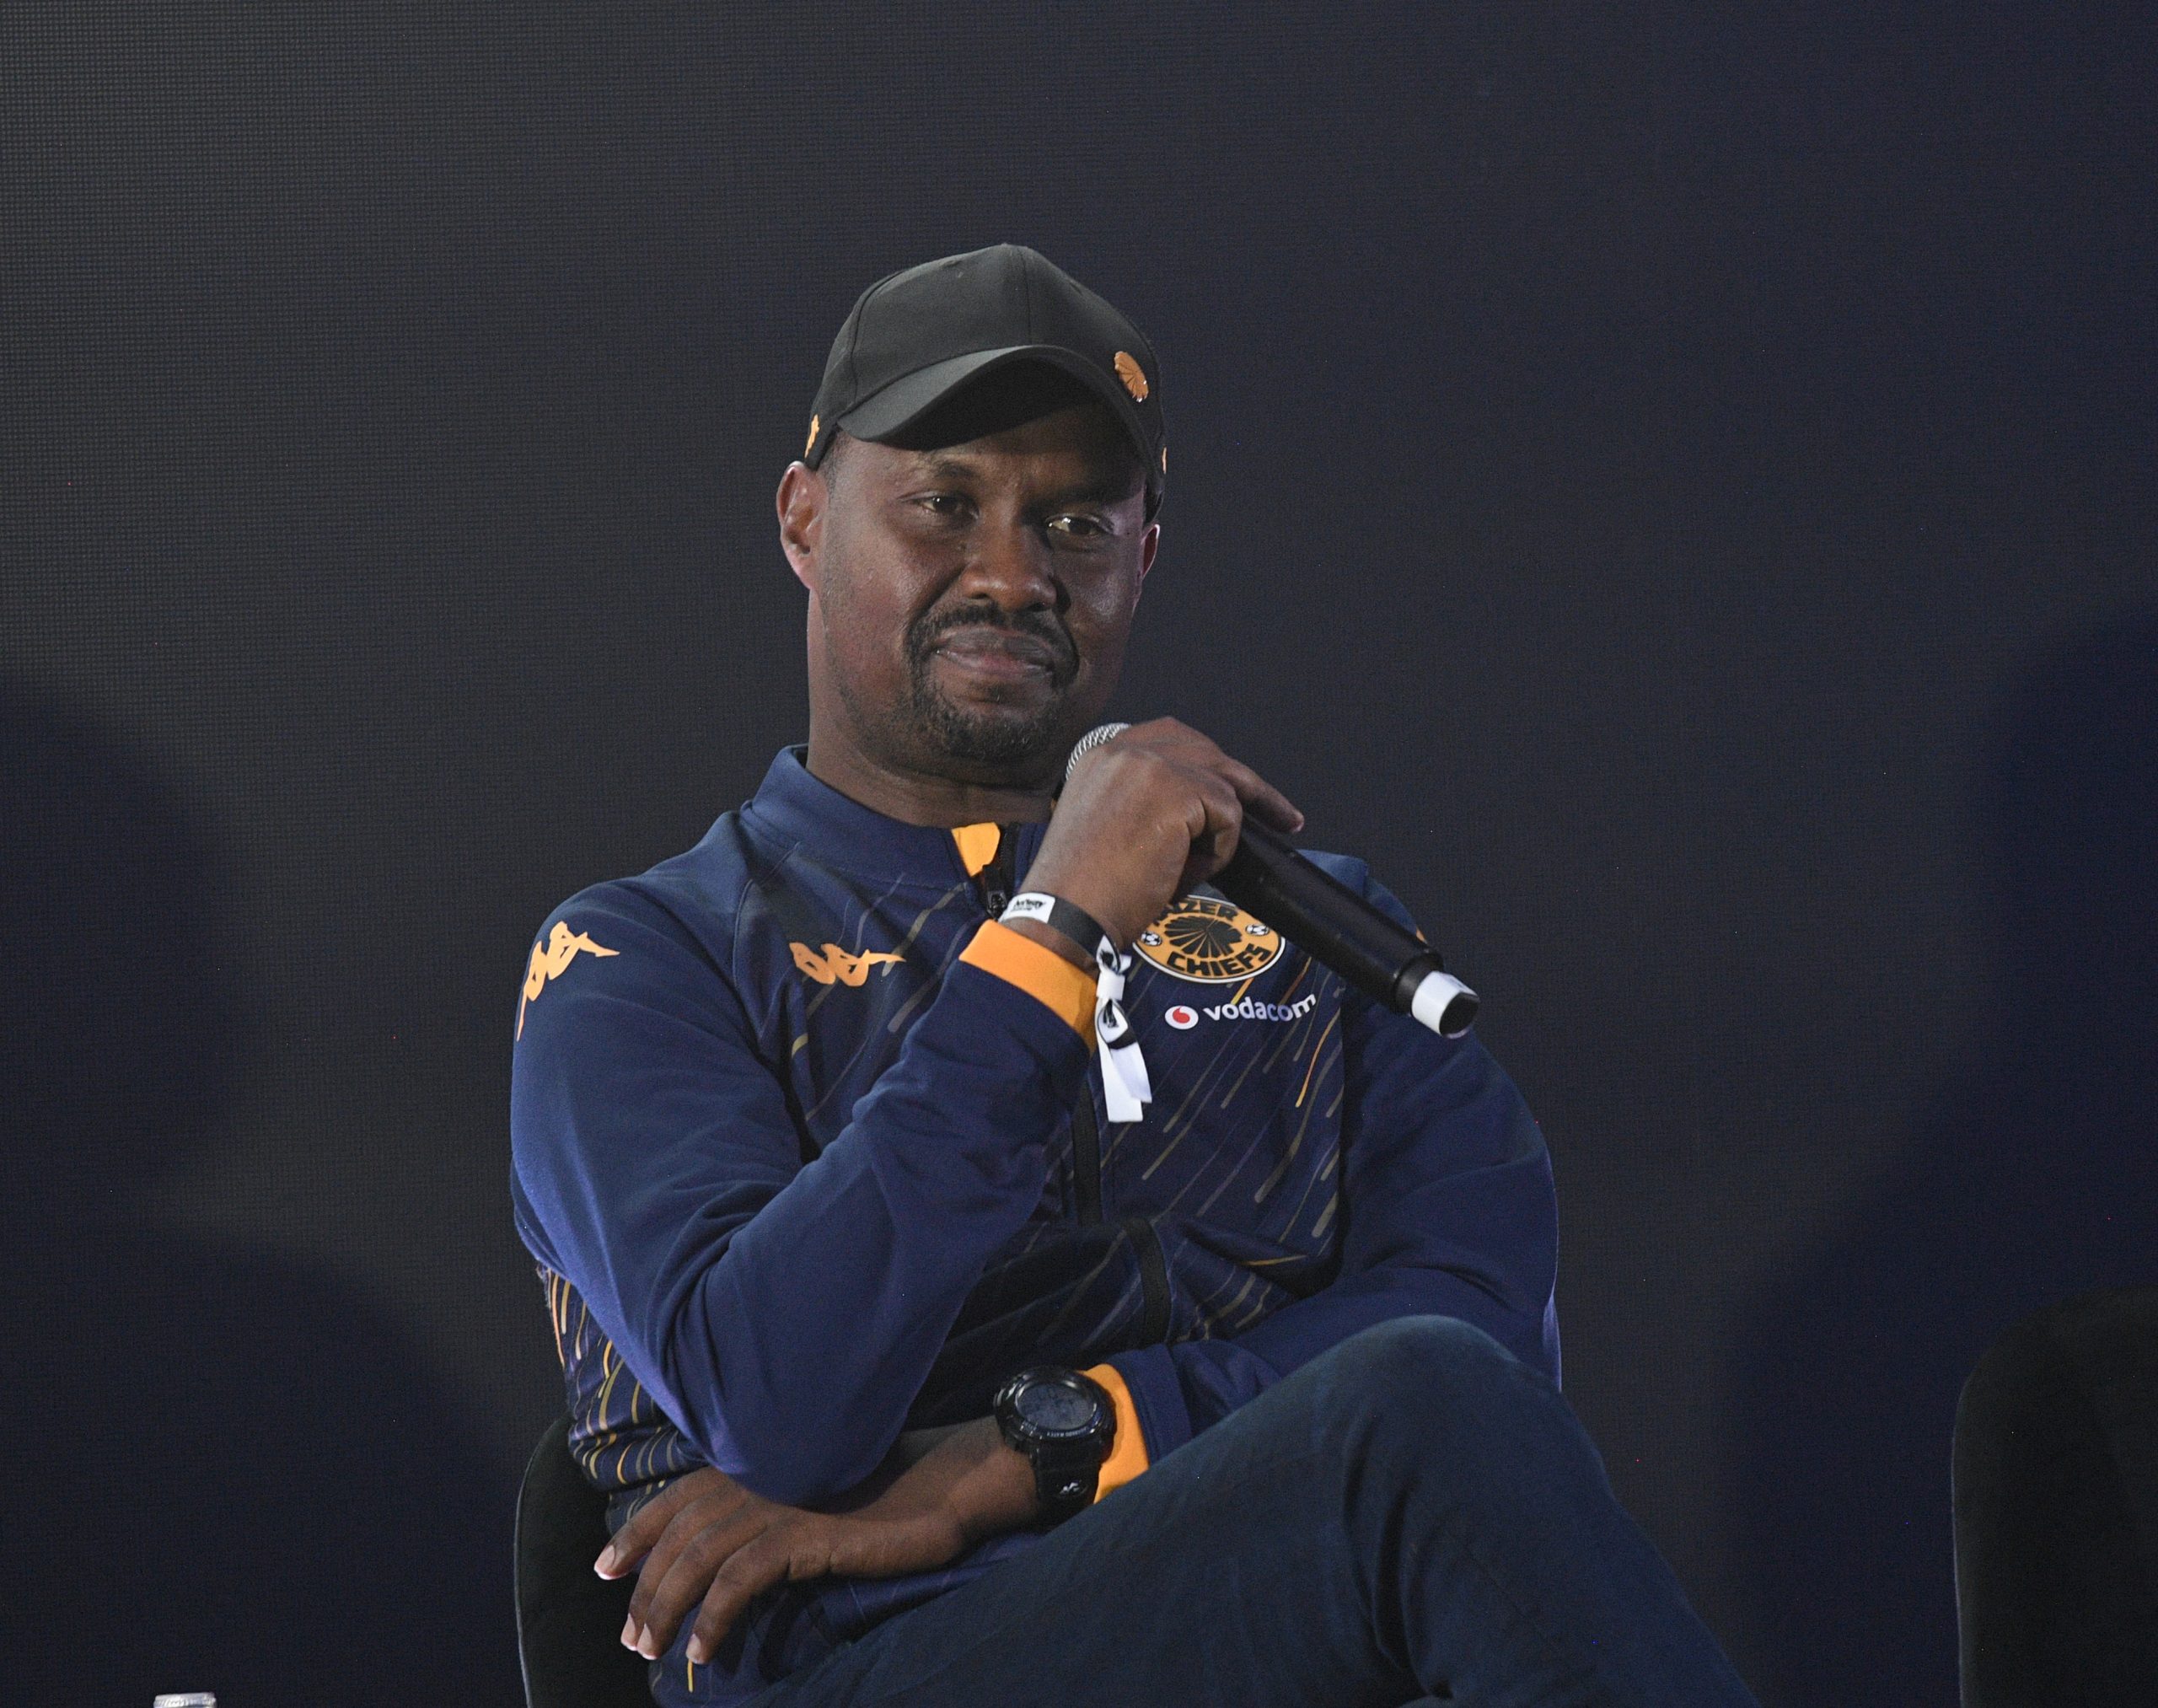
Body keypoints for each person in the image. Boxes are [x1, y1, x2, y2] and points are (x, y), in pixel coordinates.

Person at [510, 243, 1756, 1706]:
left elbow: (1484, 1327)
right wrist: (1053, 933)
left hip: (1296, 1643)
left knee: (1443, 1419)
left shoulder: (1323, 933)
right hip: (867, 1658)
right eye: (944, 503)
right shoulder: (639, 958)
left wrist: (1043, 1446)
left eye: (1077, 522)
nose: (1012, 574)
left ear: (1145, 554)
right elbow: (778, 1402)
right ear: (803, 518)